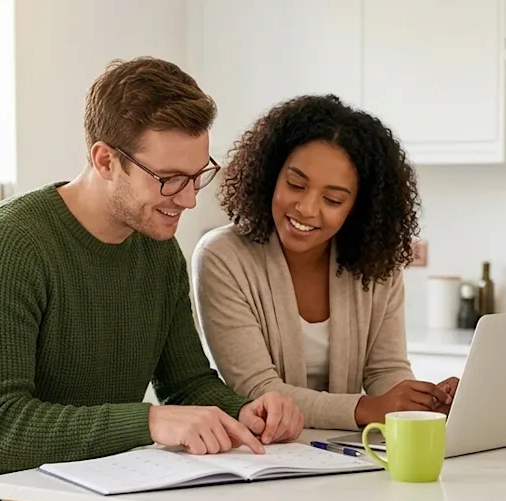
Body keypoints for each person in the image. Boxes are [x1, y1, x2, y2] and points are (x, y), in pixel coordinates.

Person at [0, 57, 305, 501]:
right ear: (105, 160)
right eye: (169, 179)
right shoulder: (5, 249)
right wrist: (150, 421)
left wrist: (245, 410)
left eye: (198, 176)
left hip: (98, 496)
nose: (190, 199)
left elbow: (188, 383)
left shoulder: (157, 251)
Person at [192, 93, 459, 431]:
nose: (306, 208)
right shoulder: (222, 257)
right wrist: (365, 409)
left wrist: (424, 402)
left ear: (358, 208)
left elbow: (385, 371)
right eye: (295, 184)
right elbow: (257, 389)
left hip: (341, 455)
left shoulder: (378, 263)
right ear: (271, 173)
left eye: (332, 199)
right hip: (262, 455)